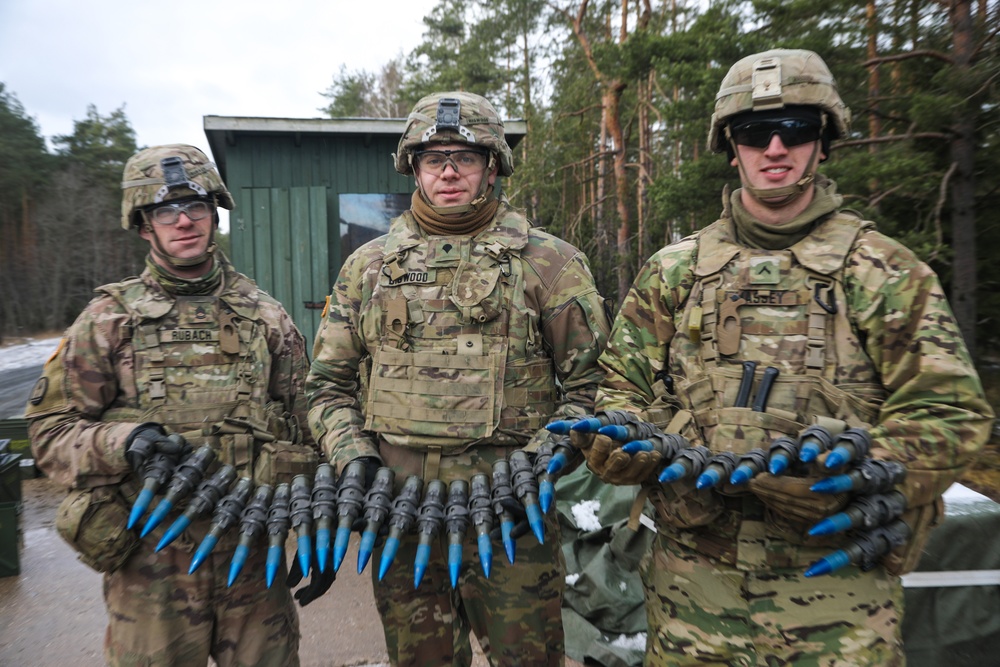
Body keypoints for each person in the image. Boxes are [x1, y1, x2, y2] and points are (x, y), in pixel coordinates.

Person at [577, 49, 994, 665]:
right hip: (694, 589)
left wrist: (865, 464)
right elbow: (616, 388)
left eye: (796, 127)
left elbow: (951, 413)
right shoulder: (676, 270)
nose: (775, 147)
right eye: (753, 132)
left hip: (838, 595)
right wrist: (642, 443)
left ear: (823, 141)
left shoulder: (884, 271)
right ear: (731, 146)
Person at [305, 91, 610, 666]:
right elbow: (326, 387)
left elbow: (596, 390)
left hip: (511, 518)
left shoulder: (550, 264)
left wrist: (538, 464)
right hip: (403, 513)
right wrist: (354, 458)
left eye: (464, 157)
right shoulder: (368, 267)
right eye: (433, 157)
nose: (448, 170)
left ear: (491, 166)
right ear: (413, 168)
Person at [26, 144, 317, 667]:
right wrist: (123, 441)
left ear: (214, 214)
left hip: (251, 556)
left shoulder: (264, 315)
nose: (184, 221)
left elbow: (310, 422)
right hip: (149, 565)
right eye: (166, 210)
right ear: (144, 225)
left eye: (197, 207)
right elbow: (49, 434)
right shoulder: (108, 320)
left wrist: (319, 523)